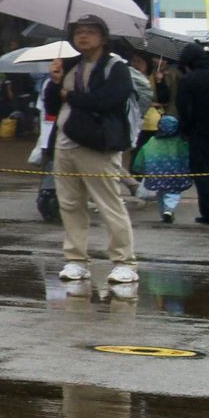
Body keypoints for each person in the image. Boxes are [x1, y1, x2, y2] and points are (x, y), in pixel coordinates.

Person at [45, 15, 140, 292]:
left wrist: (70, 96)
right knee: (70, 205)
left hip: (98, 145)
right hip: (65, 143)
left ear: (103, 38)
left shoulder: (116, 67)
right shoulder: (69, 65)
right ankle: (76, 259)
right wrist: (55, 82)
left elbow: (108, 101)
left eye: (90, 32)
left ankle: (124, 262)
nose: (83, 36)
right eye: (78, 32)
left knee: (109, 204)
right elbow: (51, 105)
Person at [177, 44, 209, 226]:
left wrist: (185, 130)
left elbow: (184, 108)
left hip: (200, 132)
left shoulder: (188, 80)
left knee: (202, 172)